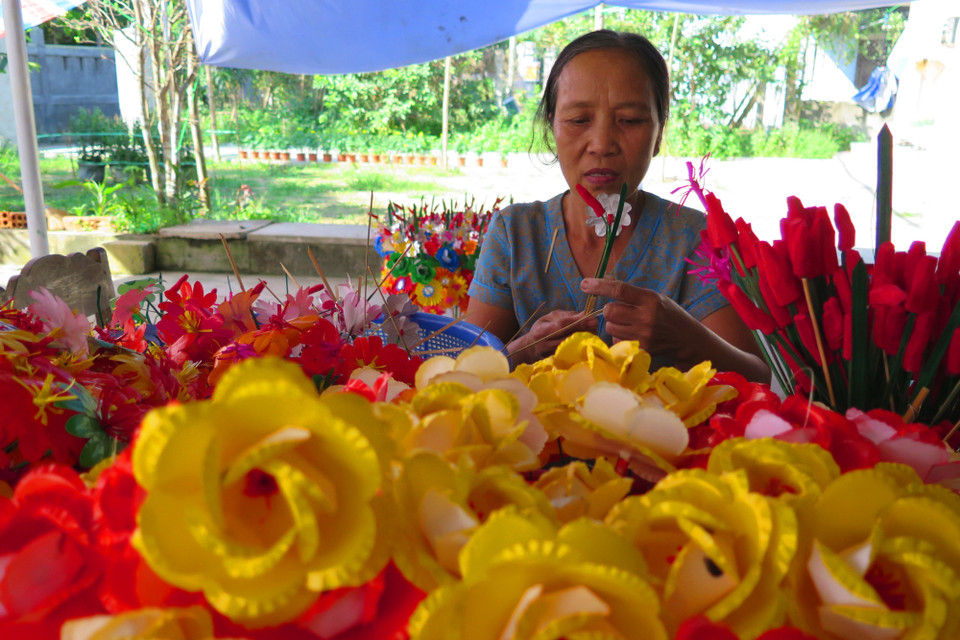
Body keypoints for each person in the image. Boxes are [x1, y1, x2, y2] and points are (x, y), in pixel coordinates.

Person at [466, 29, 770, 383]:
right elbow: (467, 371)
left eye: (630, 121)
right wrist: (527, 349)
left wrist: (688, 339)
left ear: (658, 134)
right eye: (579, 120)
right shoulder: (516, 234)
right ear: (552, 128)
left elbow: (757, 377)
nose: (602, 144)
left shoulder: (692, 238)